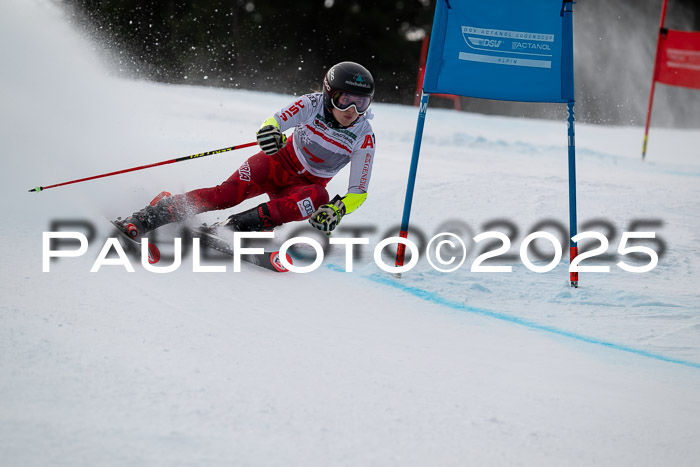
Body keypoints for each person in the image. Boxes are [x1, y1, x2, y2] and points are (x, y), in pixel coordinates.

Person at [116, 61, 376, 239]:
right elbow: (275, 121)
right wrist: (270, 133)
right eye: (345, 100)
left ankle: (230, 229)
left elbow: (358, 192)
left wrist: (338, 209)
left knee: (319, 197)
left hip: (301, 188)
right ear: (329, 95)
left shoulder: (364, 136)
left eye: (361, 103)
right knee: (226, 195)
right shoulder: (312, 103)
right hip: (275, 165)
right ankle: (149, 216)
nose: (353, 111)